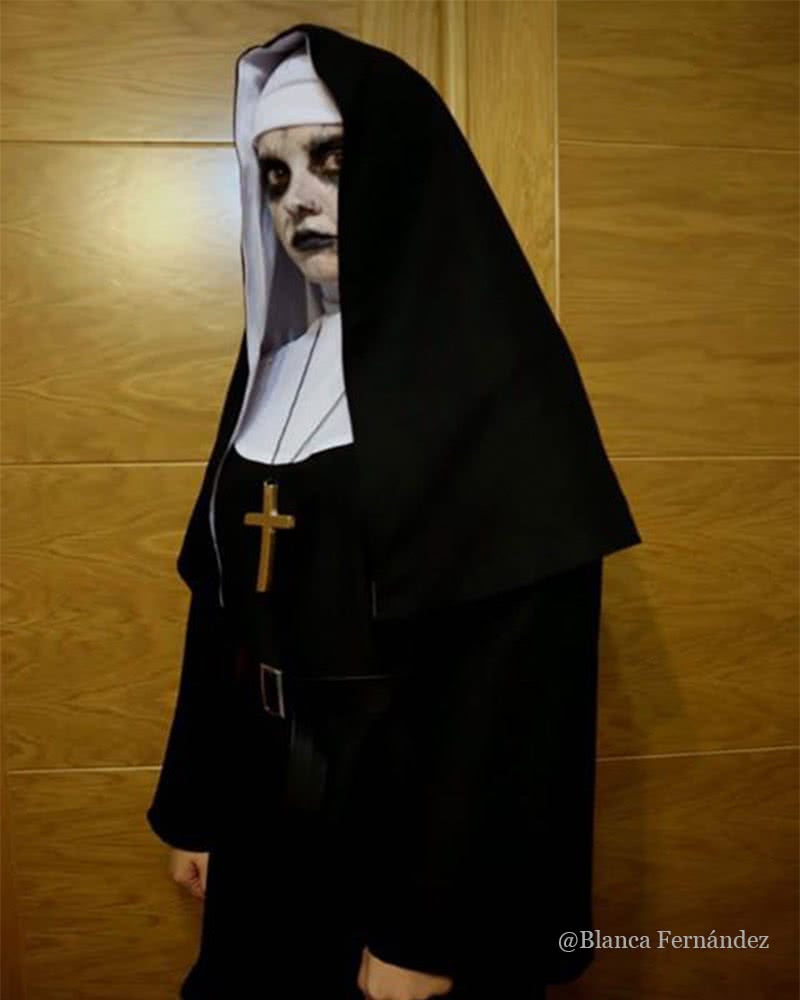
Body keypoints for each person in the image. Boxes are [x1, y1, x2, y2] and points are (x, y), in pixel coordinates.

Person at [146, 22, 642, 1000]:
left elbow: (518, 683)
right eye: (275, 174)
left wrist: (432, 925)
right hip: (263, 799)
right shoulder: (273, 367)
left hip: (413, 815)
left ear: (403, 169)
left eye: (329, 160)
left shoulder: (496, 379)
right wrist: (197, 806)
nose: (299, 199)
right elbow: (223, 608)